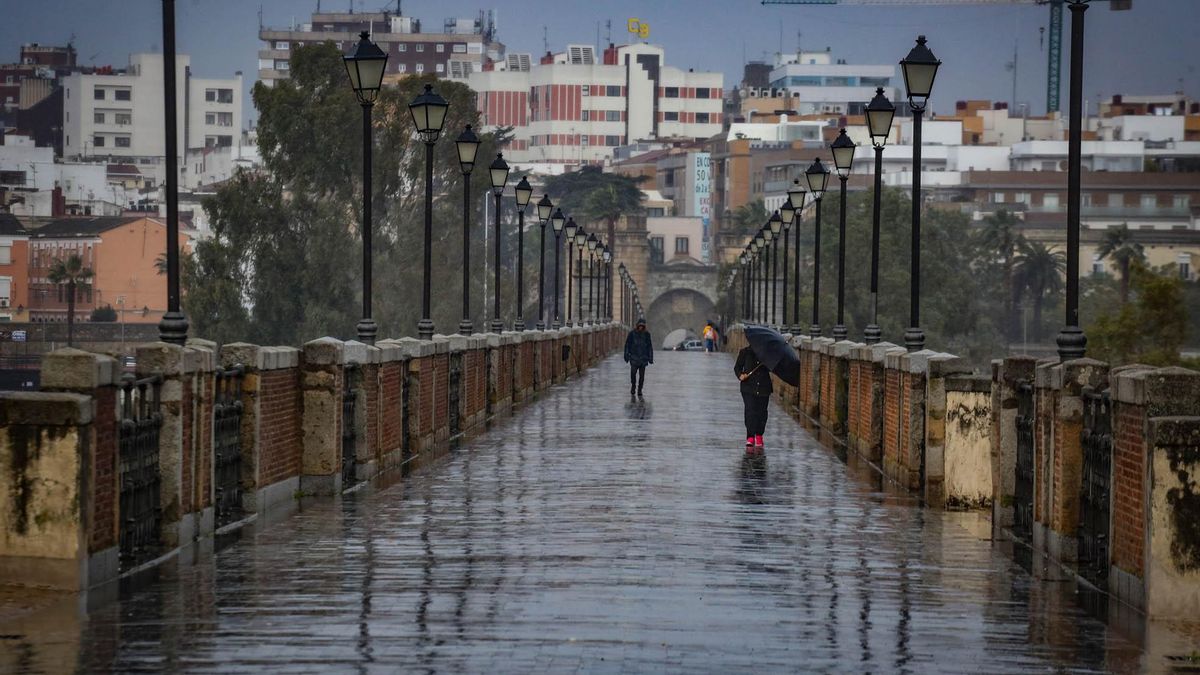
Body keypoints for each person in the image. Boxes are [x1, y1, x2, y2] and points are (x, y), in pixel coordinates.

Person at [734, 344, 772, 449]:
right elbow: (737, 367)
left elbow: (771, 369)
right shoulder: (745, 352)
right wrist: (741, 375)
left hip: (764, 387)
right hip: (748, 387)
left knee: (762, 412)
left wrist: (767, 360)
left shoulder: (767, 354)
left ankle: (759, 434)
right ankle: (750, 436)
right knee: (750, 410)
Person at [624, 319, 653, 397]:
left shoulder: (647, 334)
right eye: (639, 326)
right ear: (637, 326)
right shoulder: (632, 334)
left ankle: (640, 389)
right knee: (633, 374)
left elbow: (649, 346)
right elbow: (627, 345)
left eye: (642, 326)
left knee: (642, 376)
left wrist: (650, 357)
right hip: (634, 357)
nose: (641, 327)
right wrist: (626, 355)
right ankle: (633, 386)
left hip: (643, 358)